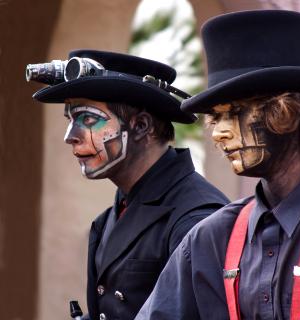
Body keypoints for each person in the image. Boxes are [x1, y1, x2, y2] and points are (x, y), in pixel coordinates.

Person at [135, 10, 300, 320]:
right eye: (215, 118)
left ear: (286, 112)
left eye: (234, 112)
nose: (219, 132)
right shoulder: (208, 239)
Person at [27, 50, 229, 319]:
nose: (71, 137)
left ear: (141, 126)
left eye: (88, 119)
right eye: (71, 120)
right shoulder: (111, 216)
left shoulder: (197, 218)